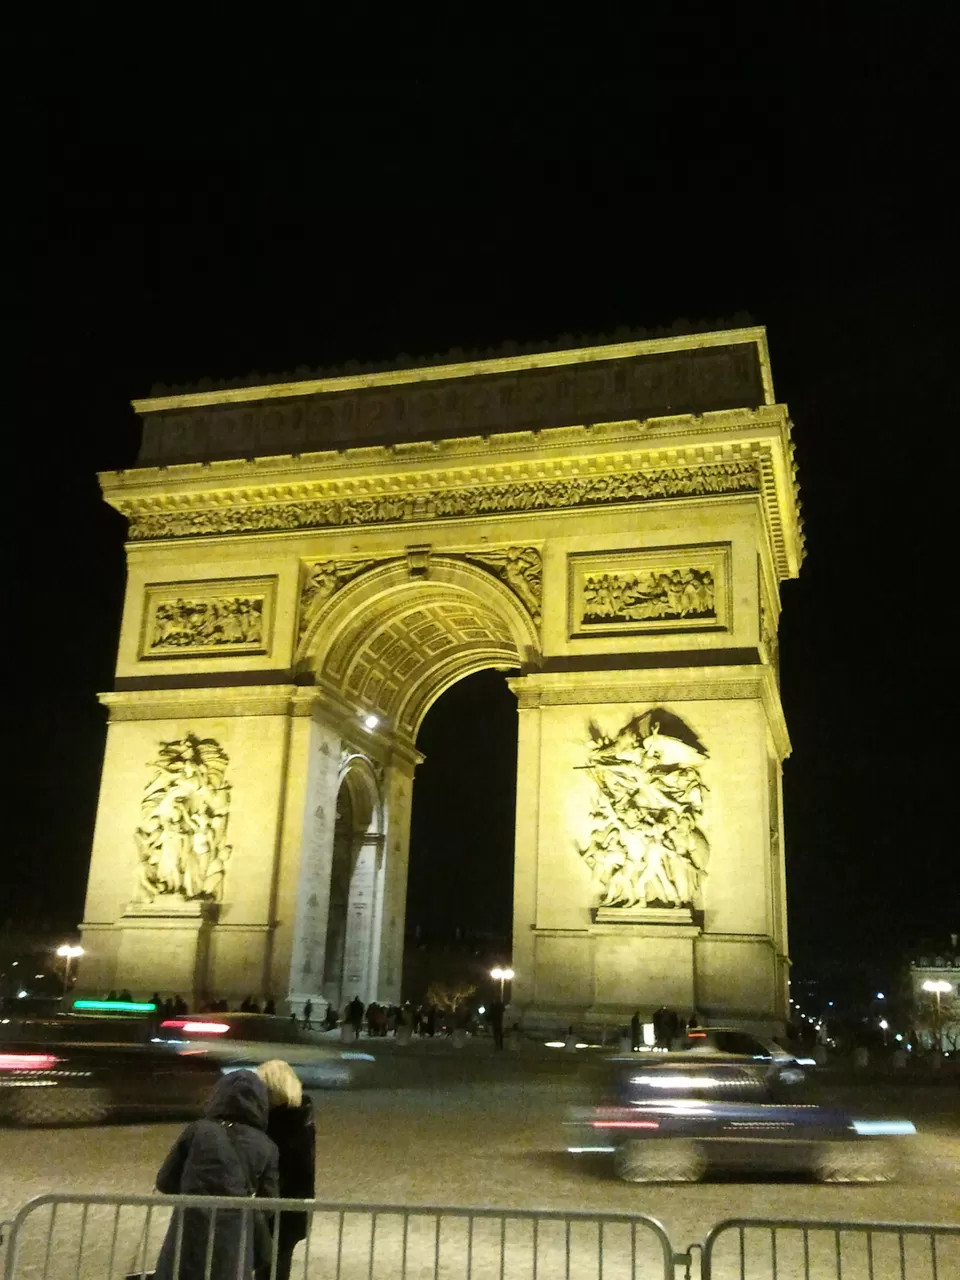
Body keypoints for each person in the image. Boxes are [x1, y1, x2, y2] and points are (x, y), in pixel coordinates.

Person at [153, 1070, 279, 1280]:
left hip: (189, 1229)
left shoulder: (198, 1130)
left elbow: (165, 1181)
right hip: (234, 1237)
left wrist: (193, 1189)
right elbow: (269, 1204)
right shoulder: (266, 1146)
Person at [255, 1060, 316, 1280]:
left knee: (270, 1269)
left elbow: (281, 1169)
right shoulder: (301, 1119)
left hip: (278, 1211)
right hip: (292, 1211)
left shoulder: (280, 1125)